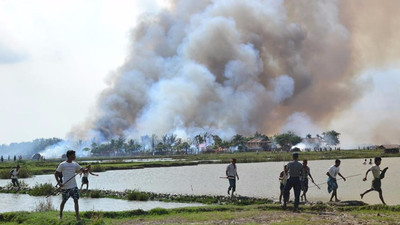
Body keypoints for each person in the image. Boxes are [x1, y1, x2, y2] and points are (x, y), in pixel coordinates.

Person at [55, 150, 86, 220]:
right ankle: (60, 215)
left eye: (74, 155)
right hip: (65, 187)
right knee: (64, 201)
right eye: (73, 155)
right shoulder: (62, 164)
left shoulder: (75, 164)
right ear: (69, 156)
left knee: (76, 200)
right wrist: (59, 183)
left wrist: (87, 169)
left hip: (74, 186)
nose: (74, 156)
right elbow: (56, 173)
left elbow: (82, 170)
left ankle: (77, 216)